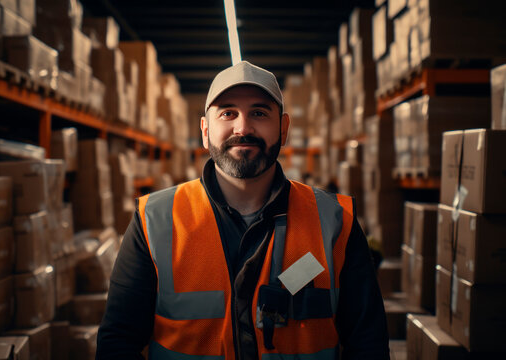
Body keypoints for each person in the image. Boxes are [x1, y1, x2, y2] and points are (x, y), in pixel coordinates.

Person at [96, 61, 390, 360]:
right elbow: (118, 342)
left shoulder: (335, 221)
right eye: (228, 113)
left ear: (283, 128)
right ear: (205, 129)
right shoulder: (154, 220)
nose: (243, 128)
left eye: (259, 113)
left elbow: (368, 345)